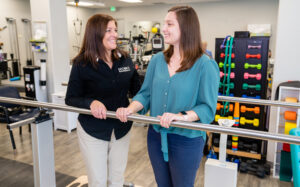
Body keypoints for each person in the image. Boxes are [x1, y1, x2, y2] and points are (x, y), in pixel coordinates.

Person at [116, 6, 219, 187]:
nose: (163, 29)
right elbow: (146, 94)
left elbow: (207, 108)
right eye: (164, 23)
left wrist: (181, 117)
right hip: (156, 137)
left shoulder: (205, 65)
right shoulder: (157, 60)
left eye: (169, 24)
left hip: (186, 140)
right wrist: (130, 108)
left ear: (186, 27)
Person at [65, 14, 141, 187]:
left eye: (115, 29)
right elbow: (71, 98)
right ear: (95, 34)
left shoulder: (125, 59)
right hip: (93, 130)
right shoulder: (81, 64)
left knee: (117, 178)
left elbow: (138, 91)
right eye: (109, 30)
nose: (115, 34)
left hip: (121, 128)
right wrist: (90, 103)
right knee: (98, 180)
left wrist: (134, 107)